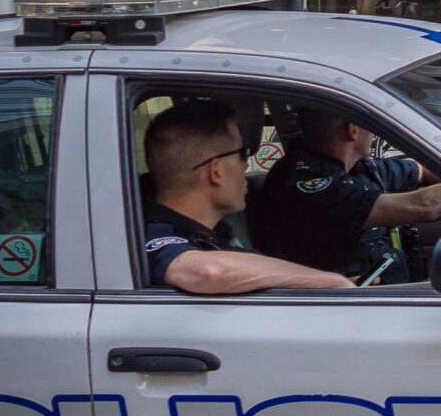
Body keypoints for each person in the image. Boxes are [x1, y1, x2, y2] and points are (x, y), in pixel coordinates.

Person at [142, 100, 352, 293]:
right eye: (242, 154)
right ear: (217, 171)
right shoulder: (152, 234)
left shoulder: (215, 233)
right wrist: (330, 281)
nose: (245, 166)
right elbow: (209, 272)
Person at [254, 108, 441, 281]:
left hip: (389, 298)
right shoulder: (307, 187)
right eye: (370, 123)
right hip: (346, 311)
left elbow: (420, 171)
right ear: (353, 129)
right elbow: (427, 206)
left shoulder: (356, 168)